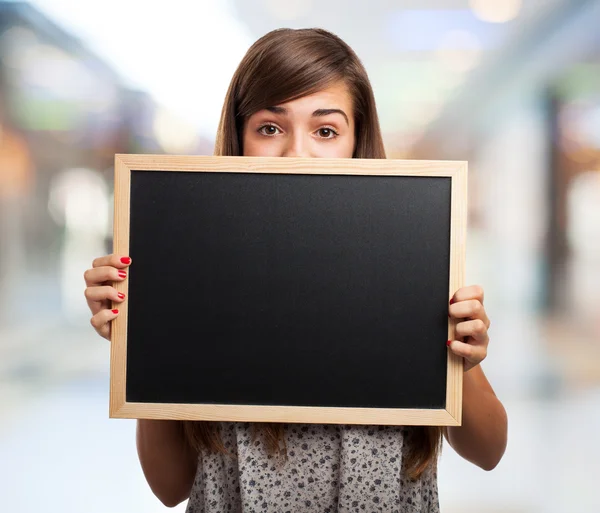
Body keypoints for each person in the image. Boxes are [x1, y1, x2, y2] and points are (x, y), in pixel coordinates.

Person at [83, 28, 507, 512]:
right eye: (270, 127)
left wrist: (465, 362)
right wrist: (141, 344)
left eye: (325, 130)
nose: (297, 153)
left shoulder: (411, 266)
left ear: (356, 139)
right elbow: (169, 487)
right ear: (239, 138)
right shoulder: (196, 275)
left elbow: (489, 451)